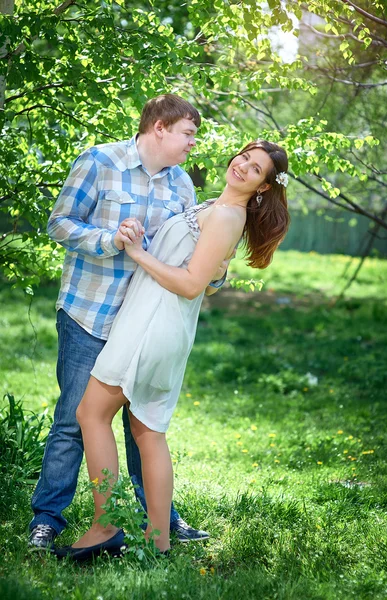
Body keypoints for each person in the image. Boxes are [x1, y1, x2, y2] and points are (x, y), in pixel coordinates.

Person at [54, 140, 290, 560]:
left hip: (153, 323)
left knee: (92, 414)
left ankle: (104, 526)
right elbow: (203, 269)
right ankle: (158, 542)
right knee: (147, 431)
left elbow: (190, 284)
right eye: (244, 157)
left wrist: (138, 253)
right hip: (158, 321)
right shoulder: (215, 206)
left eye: (254, 170)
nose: (242, 167)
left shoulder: (226, 215)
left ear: (263, 188)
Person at [29, 94, 224, 550]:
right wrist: (108, 239)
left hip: (143, 324)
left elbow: (188, 256)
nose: (192, 144)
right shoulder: (100, 161)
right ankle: (47, 519)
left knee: (144, 426)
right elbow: (59, 223)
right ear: (159, 127)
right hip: (89, 314)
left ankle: (159, 519)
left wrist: (214, 273)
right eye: (188, 134)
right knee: (74, 420)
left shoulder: (182, 188)